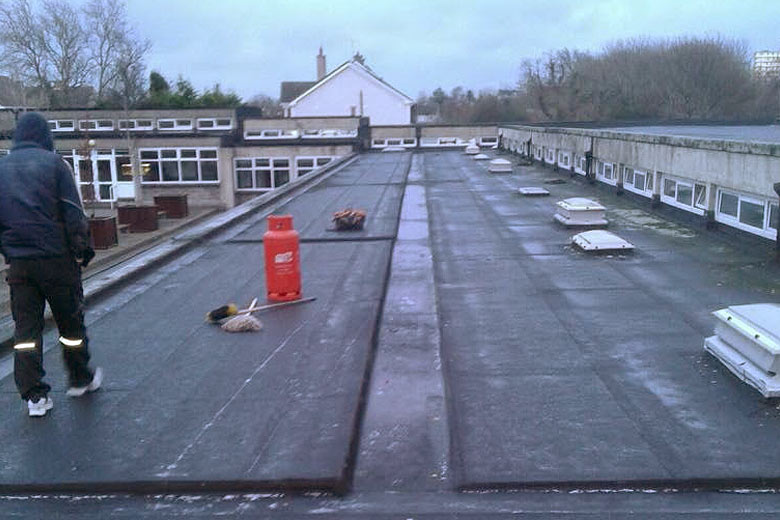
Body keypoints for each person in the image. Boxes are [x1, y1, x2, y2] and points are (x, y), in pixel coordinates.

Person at [0, 112, 102, 417]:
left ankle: (35, 397)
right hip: (56, 260)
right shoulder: (55, 164)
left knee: (26, 331)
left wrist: (8, 251)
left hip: (20, 264)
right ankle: (80, 379)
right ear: (45, 136)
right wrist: (82, 249)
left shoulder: (1, 167)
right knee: (70, 324)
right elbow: (72, 211)